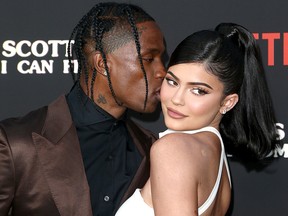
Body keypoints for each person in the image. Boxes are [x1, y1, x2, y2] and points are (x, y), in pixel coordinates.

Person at [0, 2, 166, 216]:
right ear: (102, 64)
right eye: (149, 59)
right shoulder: (16, 143)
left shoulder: (152, 150)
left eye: (162, 59)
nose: (162, 71)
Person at [115, 23, 278, 216]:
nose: (176, 99)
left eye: (198, 90)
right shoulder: (215, 153)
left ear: (228, 102)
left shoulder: (173, 149)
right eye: (172, 81)